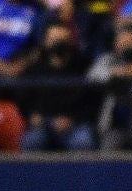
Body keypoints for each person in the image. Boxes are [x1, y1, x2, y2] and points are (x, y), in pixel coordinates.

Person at [19, 20, 98, 151]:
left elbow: (92, 102)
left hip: (74, 123)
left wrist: (73, 119)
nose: (58, 44)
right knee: (32, 141)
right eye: (54, 40)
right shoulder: (35, 67)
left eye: (62, 40)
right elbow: (24, 100)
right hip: (43, 123)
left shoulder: (83, 65)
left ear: (70, 42)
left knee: (83, 141)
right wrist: (32, 115)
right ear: (46, 41)